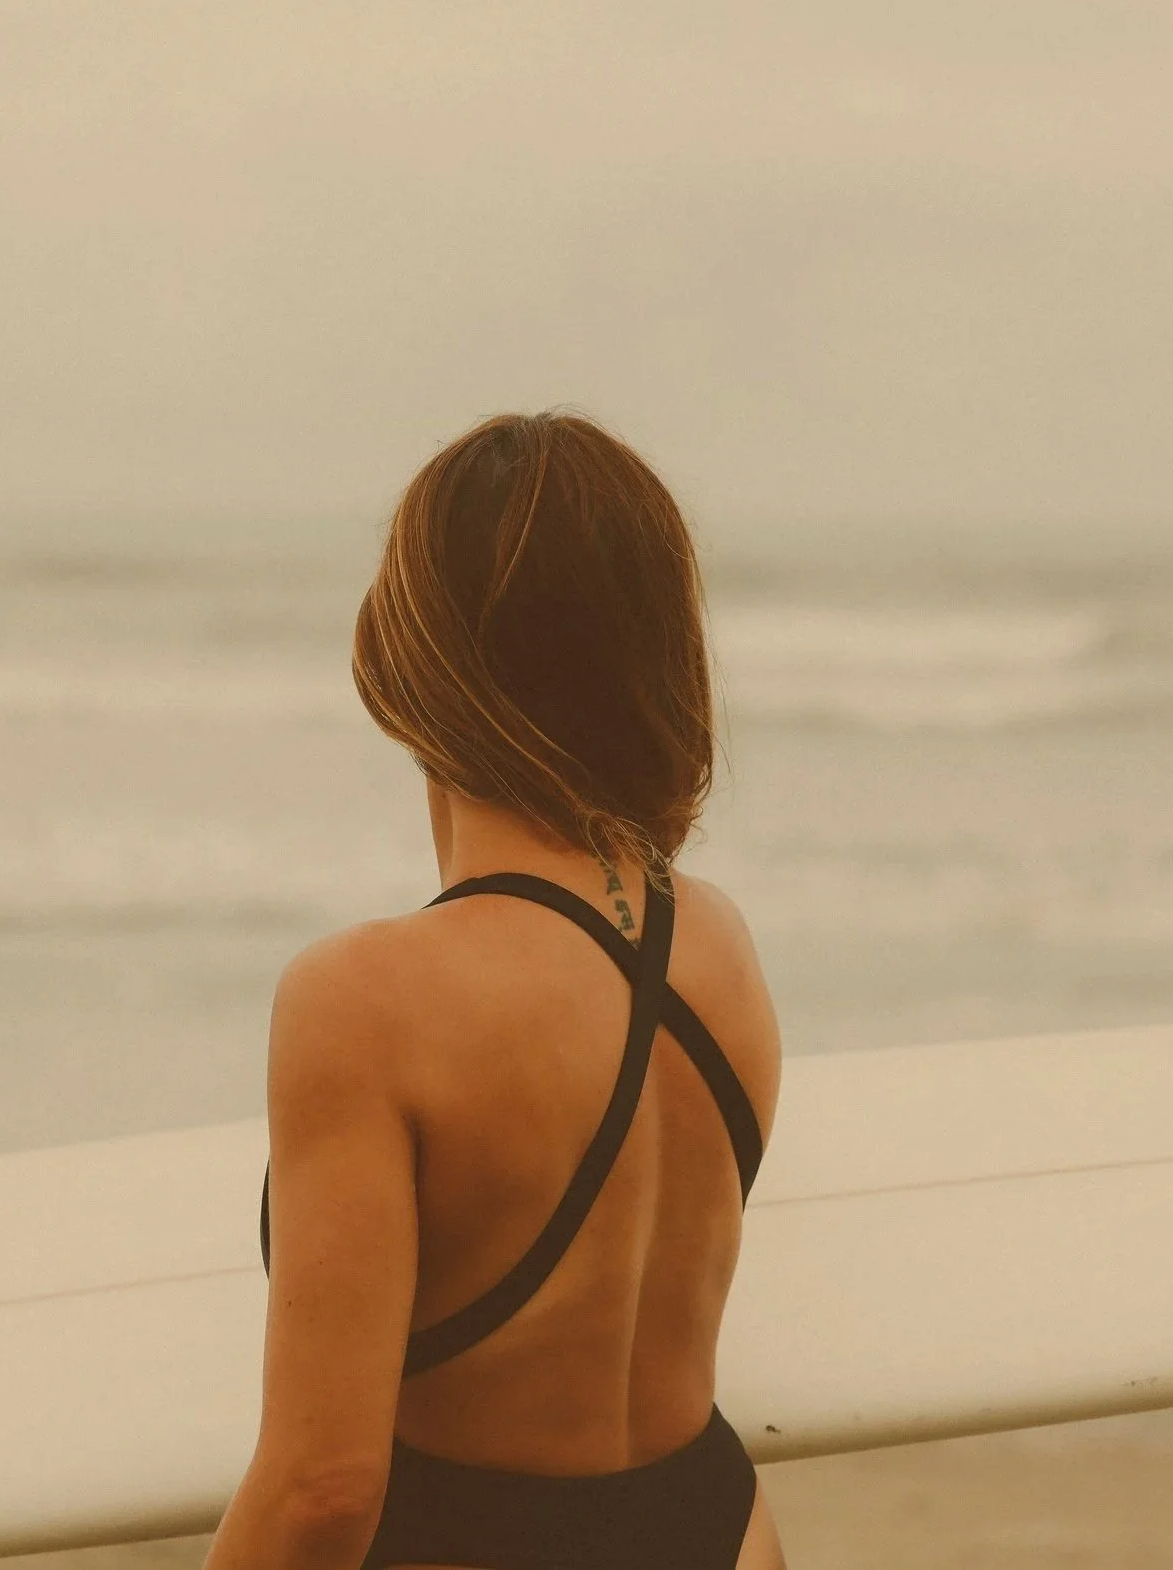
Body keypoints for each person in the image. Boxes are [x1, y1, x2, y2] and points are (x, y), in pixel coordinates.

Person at [203, 412, 788, 1569]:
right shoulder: (714, 943)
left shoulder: (364, 999)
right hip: (717, 1535)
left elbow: (322, 1489)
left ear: (408, 657)